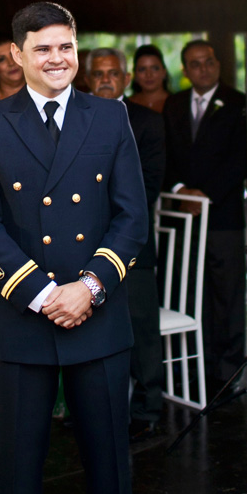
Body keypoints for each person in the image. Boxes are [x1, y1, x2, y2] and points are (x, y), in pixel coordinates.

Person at [0, 1, 154, 494]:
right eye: (42, 49)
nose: (56, 59)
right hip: (25, 320)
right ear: (16, 55)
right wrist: (46, 294)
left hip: (95, 317)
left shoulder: (110, 116)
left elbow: (132, 216)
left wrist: (90, 287)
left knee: (109, 470)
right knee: (17, 471)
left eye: (65, 47)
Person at [162, 39, 247, 391]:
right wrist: (182, 189)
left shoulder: (240, 104)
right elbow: (166, 153)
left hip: (224, 216)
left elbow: (242, 160)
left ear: (218, 64)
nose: (203, 68)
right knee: (189, 292)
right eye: (195, 64)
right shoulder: (173, 104)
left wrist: (207, 194)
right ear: (185, 71)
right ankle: (192, 364)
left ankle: (227, 370)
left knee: (228, 294)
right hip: (184, 213)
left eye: (209, 61)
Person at [85, 48, 166, 441]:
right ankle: (97, 410)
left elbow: (147, 188)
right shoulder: (72, 117)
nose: (105, 79)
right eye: (98, 73)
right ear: (87, 78)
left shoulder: (148, 123)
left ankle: (148, 409)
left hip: (131, 243)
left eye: (113, 73)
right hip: (79, 248)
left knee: (142, 329)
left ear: (126, 77)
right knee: (89, 332)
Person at [129, 44, 171, 113]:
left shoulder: (178, 104)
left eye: (155, 68)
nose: (148, 75)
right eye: (142, 69)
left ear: (164, 72)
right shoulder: (125, 106)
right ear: (135, 74)